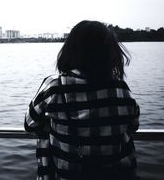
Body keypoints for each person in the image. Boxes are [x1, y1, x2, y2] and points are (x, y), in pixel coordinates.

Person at [24, 20, 140, 180]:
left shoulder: (55, 86)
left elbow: (29, 124)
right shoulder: (121, 88)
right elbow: (133, 125)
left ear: (71, 50)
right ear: (109, 52)